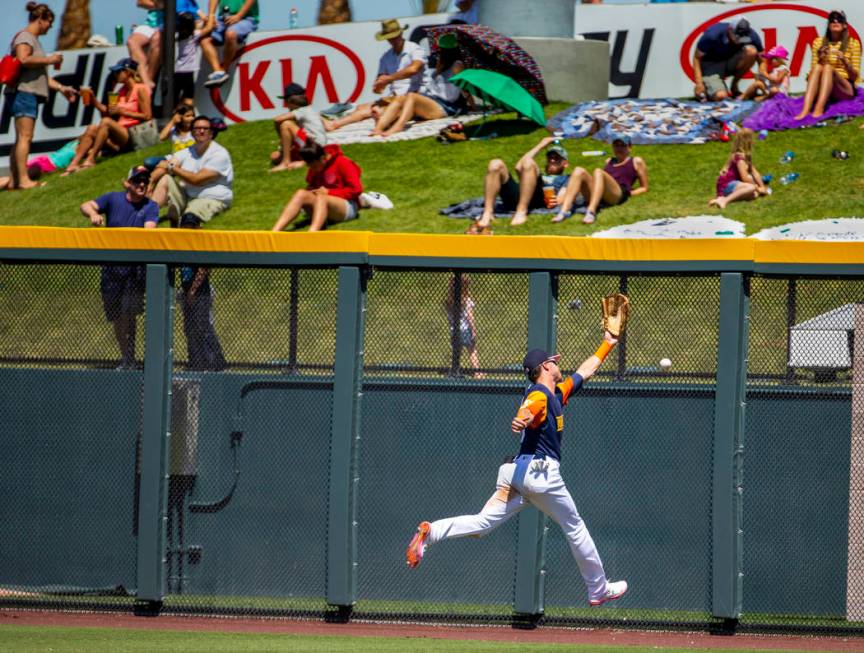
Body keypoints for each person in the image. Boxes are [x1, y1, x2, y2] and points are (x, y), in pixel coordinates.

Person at [405, 337, 629, 608]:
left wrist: (608, 342)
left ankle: (431, 533)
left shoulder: (558, 393)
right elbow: (531, 406)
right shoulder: (540, 393)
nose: (559, 365)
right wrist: (523, 416)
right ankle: (598, 588)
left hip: (516, 474)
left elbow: (586, 370)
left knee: (482, 524)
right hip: (541, 474)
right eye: (555, 362)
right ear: (545, 367)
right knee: (575, 527)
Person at [79, 166, 158, 369]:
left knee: (130, 315)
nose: (141, 184)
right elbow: (86, 205)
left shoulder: (150, 206)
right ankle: (126, 357)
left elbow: (150, 230)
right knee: (116, 316)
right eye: (137, 180)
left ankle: (131, 359)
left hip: (134, 271)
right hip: (111, 270)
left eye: (145, 181)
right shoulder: (113, 199)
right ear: (127, 183)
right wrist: (93, 215)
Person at [4, 2, 76, 190]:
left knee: (21, 137)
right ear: (40, 20)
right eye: (49, 22)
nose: (50, 27)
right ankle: (24, 181)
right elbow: (23, 59)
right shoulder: (26, 37)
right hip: (24, 92)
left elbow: (41, 75)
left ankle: (14, 180)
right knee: (25, 137)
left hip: (25, 92)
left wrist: (61, 88)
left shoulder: (31, 39)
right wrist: (50, 59)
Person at [323, 19, 427, 132]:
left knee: (373, 110)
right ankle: (334, 123)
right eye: (390, 37)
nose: (392, 40)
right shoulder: (386, 57)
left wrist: (388, 79)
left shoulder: (415, 49)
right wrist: (379, 85)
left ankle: (336, 123)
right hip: (396, 96)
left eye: (395, 36)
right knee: (362, 108)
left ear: (401, 34)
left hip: (416, 95)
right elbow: (378, 89)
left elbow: (413, 69)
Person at [62, 58, 152, 175]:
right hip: (121, 134)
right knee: (92, 128)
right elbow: (108, 112)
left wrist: (122, 111)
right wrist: (93, 100)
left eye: (118, 72)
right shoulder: (121, 91)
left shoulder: (140, 89)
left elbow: (148, 116)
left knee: (106, 122)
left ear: (128, 72)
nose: (115, 75)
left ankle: (91, 159)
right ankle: (73, 164)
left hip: (135, 134)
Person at [465, 136, 570, 235]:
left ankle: (521, 212)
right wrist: (541, 144)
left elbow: (561, 199)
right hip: (520, 195)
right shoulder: (536, 174)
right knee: (495, 163)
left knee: (528, 162)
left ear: (565, 164)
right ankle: (487, 213)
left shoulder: (566, 178)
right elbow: (519, 166)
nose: (552, 160)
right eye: (550, 157)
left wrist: (553, 199)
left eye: (557, 159)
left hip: (539, 199)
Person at [371, 33, 467, 137]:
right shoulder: (443, 64)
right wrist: (439, 67)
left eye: (440, 50)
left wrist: (472, 105)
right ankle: (378, 128)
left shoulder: (457, 65)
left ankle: (398, 126)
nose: (438, 52)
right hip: (434, 99)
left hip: (446, 106)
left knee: (412, 96)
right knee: (400, 98)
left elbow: (465, 87)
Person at [149, 115, 234, 226]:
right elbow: (164, 166)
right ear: (192, 133)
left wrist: (172, 167)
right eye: (197, 129)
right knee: (166, 179)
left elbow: (197, 179)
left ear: (211, 133)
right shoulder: (188, 151)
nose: (201, 131)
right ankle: (147, 218)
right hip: (190, 196)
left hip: (212, 198)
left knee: (189, 218)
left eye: (205, 128)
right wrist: (150, 182)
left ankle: (180, 217)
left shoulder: (219, 154)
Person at [555, 135, 648, 226]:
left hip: (617, 193)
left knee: (598, 171)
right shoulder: (609, 161)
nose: (619, 148)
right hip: (602, 194)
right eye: (616, 145)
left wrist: (630, 193)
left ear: (630, 147)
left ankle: (591, 211)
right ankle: (564, 211)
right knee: (578, 170)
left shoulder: (636, 161)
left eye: (622, 145)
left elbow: (644, 187)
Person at [271, 142, 363, 232]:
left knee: (321, 197)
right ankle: (275, 231)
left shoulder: (343, 162)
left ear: (323, 158)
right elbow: (311, 186)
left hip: (348, 206)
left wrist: (329, 192)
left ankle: (312, 233)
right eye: (310, 166)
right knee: (301, 193)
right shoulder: (315, 166)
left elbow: (356, 189)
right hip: (323, 204)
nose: (312, 169)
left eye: (314, 166)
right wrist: (311, 192)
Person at [177, 214, 227, 372]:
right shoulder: (180, 243)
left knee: (203, 326)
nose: (188, 230)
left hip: (201, 292)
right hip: (186, 291)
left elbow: (204, 269)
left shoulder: (201, 242)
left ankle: (216, 362)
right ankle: (196, 362)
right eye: (186, 227)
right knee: (190, 329)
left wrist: (193, 291)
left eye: (192, 226)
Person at [794, 10, 860, 121]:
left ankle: (818, 110)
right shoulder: (818, 42)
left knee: (828, 68)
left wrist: (845, 62)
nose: (835, 21)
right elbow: (811, 76)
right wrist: (820, 59)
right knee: (818, 67)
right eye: (832, 20)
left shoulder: (853, 43)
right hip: (825, 86)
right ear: (828, 25)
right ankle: (805, 110)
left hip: (845, 88)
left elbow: (854, 77)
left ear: (844, 25)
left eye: (839, 19)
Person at [127, 0, 199, 90]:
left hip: (168, 25)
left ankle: (147, 81)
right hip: (150, 24)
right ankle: (145, 77)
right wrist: (161, 5)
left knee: (157, 39)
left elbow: (184, 9)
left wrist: (159, 4)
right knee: (132, 42)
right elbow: (140, 2)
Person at [693, 17, 763, 102]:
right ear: (730, 30)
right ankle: (707, 88)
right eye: (738, 37)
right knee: (721, 96)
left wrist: (763, 79)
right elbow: (697, 58)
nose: (740, 41)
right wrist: (699, 83)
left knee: (751, 52)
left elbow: (762, 59)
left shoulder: (752, 35)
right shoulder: (712, 35)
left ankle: (734, 85)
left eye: (743, 38)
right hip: (711, 64)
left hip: (731, 60)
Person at [270, 82, 328, 173]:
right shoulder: (309, 109)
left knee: (286, 124)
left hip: (313, 143)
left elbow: (277, 120)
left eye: (286, 102)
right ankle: (300, 160)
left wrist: (281, 138)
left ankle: (286, 162)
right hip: (316, 144)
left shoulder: (301, 111)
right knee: (274, 156)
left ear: (290, 101)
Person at [201, 0, 260, 88]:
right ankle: (218, 71)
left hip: (246, 18)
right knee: (204, 40)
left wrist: (239, 16)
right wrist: (211, 17)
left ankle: (224, 69)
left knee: (231, 34)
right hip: (223, 18)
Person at [708, 128, 768, 210]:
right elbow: (745, 178)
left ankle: (720, 199)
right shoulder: (740, 158)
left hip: (733, 184)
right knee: (751, 188)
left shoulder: (746, 156)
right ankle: (725, 200)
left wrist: (763, 187)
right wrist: (757, 187)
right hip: (727, 185)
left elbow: (755, 173)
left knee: (754, 195)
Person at [445, 274, 481, 377]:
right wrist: (473, 330)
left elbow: (449, 317)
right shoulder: (467, 301)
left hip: (454, 330)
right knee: (472, 350)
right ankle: (477, 372)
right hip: (465, 329)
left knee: (457, 351)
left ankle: (454, 370)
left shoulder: (450, 301)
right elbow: (470, 317)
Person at [174, 10, 214, 105]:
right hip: (188, 70)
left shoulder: (177, 36)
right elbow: (209, 28)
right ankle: (188, 112)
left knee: (175, 96)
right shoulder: (194, 36)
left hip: (177, 70)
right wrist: (211, 16)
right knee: (188, 96)